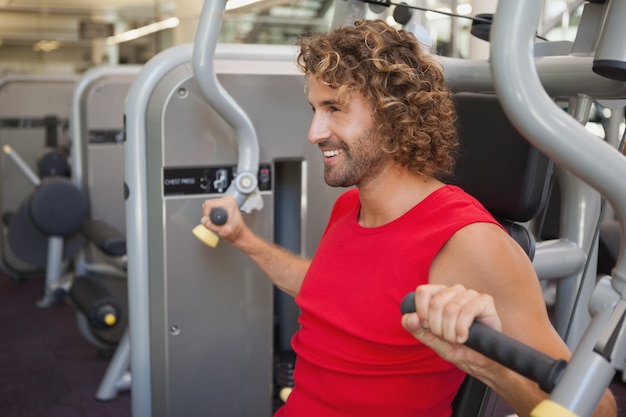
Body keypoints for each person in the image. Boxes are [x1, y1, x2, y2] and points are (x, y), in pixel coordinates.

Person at [200, 19, 617, 417]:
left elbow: (594, 409)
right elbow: (329, 293)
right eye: (314, 109)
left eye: (334, 108)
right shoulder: (351, 206)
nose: (313, 132)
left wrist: (489, 367)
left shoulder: (469, 241)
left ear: (392, 113)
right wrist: (243, 238)